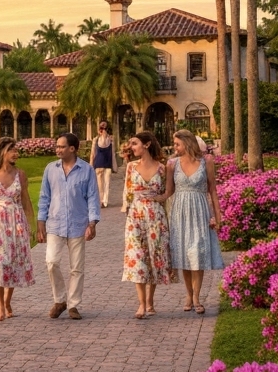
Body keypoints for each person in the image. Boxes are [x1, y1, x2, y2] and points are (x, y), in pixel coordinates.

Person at [37, 132, 100, 320]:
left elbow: (93, 198)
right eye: (57, 146)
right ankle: (60, 300)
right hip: (55, 223)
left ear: (72, 148)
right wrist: (41, 222)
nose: (58, 149)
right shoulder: (50, 169)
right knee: (51, 262)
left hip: (78, 224)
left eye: (61, 146)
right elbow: (44, 197)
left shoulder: (87, 170)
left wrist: (92, 223)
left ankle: (73, 305)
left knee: (77, 268)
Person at [0, 137, 36, 321]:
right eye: (12, 150)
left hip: (16, 222)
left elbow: (26, 200)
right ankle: (0, 305)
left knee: (13, 263)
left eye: (16, 150)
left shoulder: (21, 175)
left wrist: (32, 225)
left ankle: (8, 300)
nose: (16, 154)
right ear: (2, 151)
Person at [166, 129, 224, 314]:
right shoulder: (172, 164)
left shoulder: (206, 161)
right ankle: (189, 295)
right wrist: (152, 199)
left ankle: (197, 297)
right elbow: (168, 191)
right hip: (180, 213)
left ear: (187, 143)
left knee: (197, 253)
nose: (174, 147)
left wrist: (217, 216)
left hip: (200, 212)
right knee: (185, 254)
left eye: (177, 144)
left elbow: (212, 189)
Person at [122, 131, 173, 319]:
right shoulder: (131, 167)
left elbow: (169, 191)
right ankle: (142, 304)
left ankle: (150, 301)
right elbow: (127, 193)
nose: (131, 147)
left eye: (135, 143)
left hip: (156, 217)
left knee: (154, 258)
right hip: (135, 217)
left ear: (147, 144)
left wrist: (160, 198)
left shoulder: (162, 168)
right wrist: (128, 213)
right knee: (138, 258)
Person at [91, 121, 117, 208]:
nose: (102, 129)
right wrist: (91, 166)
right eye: (101, 127)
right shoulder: (96, 140)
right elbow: (93, 154)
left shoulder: (110, 140)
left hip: (106, 165)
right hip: (99, 165)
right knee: (101, 184)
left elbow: (113, 153)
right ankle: (101, 201)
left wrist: (114, 165)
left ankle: (104, 201)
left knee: (105, 184)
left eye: (103, 127)